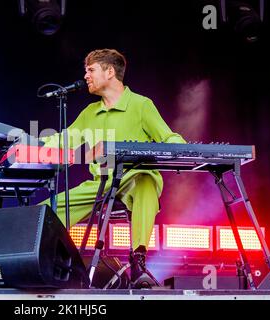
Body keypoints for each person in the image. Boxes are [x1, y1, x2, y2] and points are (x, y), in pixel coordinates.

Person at [39, 49, 186, 288]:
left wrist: (184, 149)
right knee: (44, 211)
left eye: (91, 70)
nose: (86, 76)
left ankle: (138, 259)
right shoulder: (90, 113)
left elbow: (168, 137)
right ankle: (41, 262)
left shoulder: (141, 105)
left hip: (133, 178)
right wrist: (31, 143)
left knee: (145, 182)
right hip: (101, 184)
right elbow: (63, 140)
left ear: (109, 72)